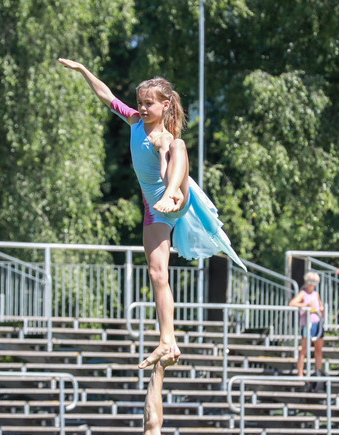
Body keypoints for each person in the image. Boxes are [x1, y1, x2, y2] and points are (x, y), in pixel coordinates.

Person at [57, 59, 244, 370]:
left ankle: (172, 193)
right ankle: (167, 340)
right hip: (155, 211)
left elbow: (164, 166)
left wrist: (170, 188)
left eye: (149, 104)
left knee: (179, 145)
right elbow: (106, 96)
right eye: (140, 102)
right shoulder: (134, 122)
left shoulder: (164, 138)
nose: (142, 108)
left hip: (177, 198)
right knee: (158, 274)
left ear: (165, 105)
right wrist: (83, 70)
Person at [288, 272, 325, 379]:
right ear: (306, 282)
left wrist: (321, 310)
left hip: (317, 323)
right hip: (307, 324)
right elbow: (292, 303)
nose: (312, 284)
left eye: (314, 282)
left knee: (318, 350)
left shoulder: (316, 294)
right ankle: (300, 373)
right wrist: (305, 305)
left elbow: (320, 306)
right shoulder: (303, 293)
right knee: (304, 349)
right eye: (310, 281)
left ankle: (318, 372)